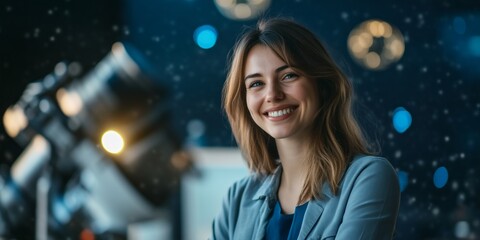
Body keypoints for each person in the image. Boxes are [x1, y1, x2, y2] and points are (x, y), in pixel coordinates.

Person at [212, 17, 400, 240]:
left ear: (322, 85)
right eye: (256, 83)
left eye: (288, 75)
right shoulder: (238, 198)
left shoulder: (368, 178)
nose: (272, 95)